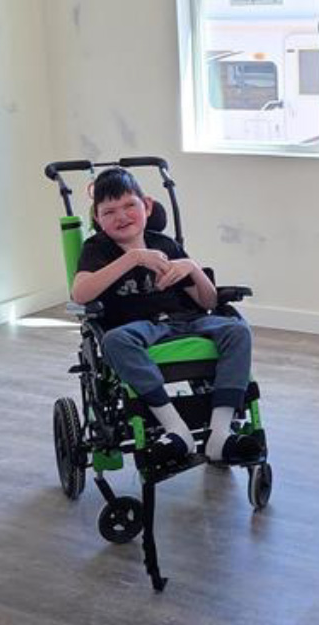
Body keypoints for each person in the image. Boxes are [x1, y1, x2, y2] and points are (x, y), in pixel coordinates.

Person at [71, 167, 262, 466]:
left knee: (237, 330)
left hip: (186, 321)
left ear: (146, 206)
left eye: (129, 206)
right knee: (114, 341)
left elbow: (208, 301)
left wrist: (191, 267)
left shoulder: (164, 244)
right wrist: (133, 258)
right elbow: (81, 293)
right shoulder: (97, 249)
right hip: (137, 328)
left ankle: (220, 434)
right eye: (109, 211)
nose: (121, 216)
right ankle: (176, 429)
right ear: (97, 219)